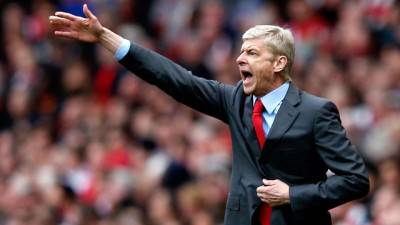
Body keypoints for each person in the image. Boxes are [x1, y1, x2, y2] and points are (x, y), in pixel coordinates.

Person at [49, 4, 369, 225]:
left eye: (252, 53)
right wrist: (106, 38)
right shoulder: (236, 102)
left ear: (279, 63)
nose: (240, 58)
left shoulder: (316, 111)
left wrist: (293, 195)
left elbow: (355, 180)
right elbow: (175, 79)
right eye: (241, 51)